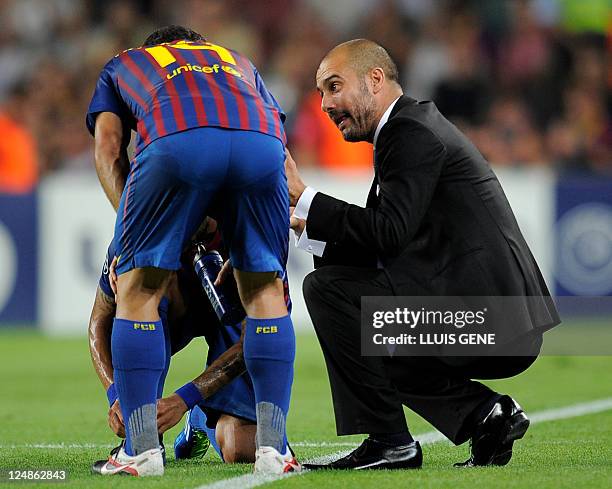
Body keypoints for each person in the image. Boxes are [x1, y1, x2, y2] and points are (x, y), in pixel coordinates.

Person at [286, 39, 560, 470]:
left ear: (375, 80)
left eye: (334, 87)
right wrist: (309, 225)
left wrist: (306, 199)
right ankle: (484, 415)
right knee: (354, 310)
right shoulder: (411, 126)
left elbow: (388, 234)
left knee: (329, 291)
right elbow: (383, 240)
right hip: (496, 315)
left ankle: (390, 441)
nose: (324, 104)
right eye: (321, 93)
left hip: (487, 317)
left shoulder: (407, 131)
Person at [86, 25, 298, 476]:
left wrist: (133, 226)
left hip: (176, 147)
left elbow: (108, 149)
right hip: (262, 148)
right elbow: (278, 146)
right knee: (266, 292)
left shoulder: (127, 64)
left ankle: (141, 450)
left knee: (138, 289)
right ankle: (276, 454)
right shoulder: (239, 63)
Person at [88, 227, 278, 470]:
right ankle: (144, 430)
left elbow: (253, 340)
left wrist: (184, 400)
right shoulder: (139, 234)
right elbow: (99, 320)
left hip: (232, 316)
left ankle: (200, 418)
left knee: (239, 447)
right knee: (142, 289)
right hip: (165, 314)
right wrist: (116, 395)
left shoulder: (244, 233)